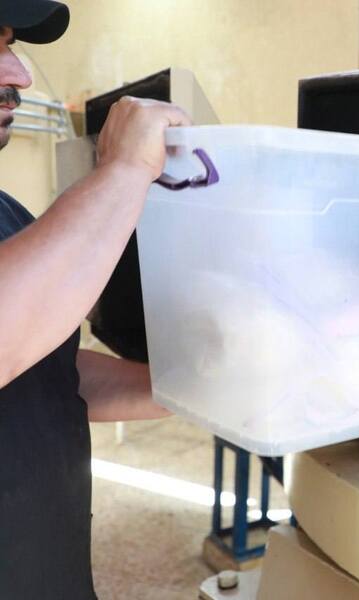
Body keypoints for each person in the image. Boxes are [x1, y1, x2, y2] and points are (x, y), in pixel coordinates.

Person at [0, 2, 190, 597]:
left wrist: (188, 387)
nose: (20, 75)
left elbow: (46, 370)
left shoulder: (6, 212)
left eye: (10, 45)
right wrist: (125, 169)